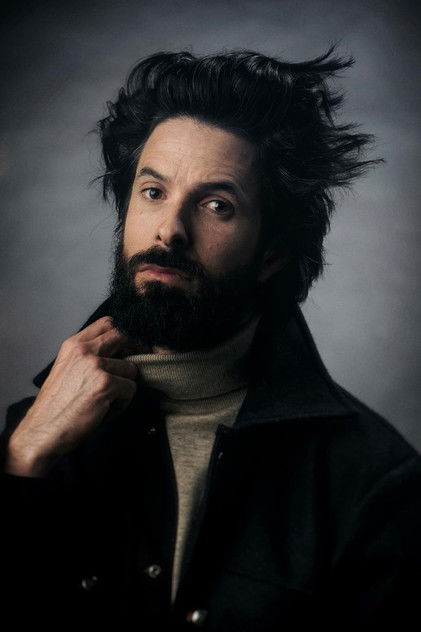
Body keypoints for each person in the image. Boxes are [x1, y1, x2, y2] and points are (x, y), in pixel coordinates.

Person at [1, 47, 420, 631]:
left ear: (272, 252)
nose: (169, 230)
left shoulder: (370, 482)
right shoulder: (34, 430)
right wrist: (22, 460)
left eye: (217, 205)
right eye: (153, 192)